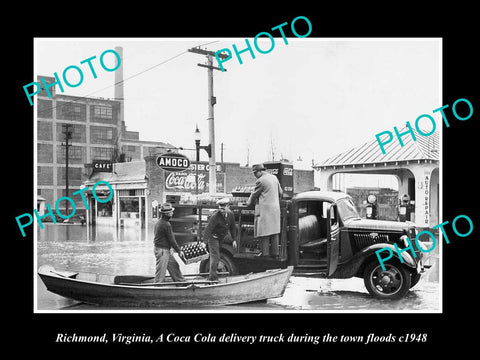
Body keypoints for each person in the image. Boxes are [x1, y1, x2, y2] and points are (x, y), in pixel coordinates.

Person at [246, 163, 283, 259]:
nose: (255, 176)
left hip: (265, 210)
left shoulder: (260, 181)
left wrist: (249, 203)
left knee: (264, 232)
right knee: (274, 231)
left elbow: (254, 195)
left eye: (255, 173)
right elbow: (281, 192)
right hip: (275, 209)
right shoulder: (274, 178)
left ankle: (265, 253)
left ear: (260, 171)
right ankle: (275, 253)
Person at [203, 198, 236, 281]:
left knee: (217, 255)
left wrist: (234, 239)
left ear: (228, 207)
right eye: (220, 209)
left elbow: (233, 228)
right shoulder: (215, 216)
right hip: (213, 238)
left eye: (223, 209)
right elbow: (208, 229)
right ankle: (212, 278)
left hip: (221, 237)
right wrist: (204, 242)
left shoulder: (230, 215)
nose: (222, 211)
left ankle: (214, 273)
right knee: (215, 256)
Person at [153, 202, 185, 283]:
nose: (172, 213)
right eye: (171, 212)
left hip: (164, 249)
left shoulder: (159, 222)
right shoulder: (166, 224)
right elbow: (172, 240)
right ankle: (157, 289)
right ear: (167, 214)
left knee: (174, 266)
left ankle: (181, 283)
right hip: (162, 251)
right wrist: (179, 251)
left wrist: (170, 248)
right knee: (161, 273)